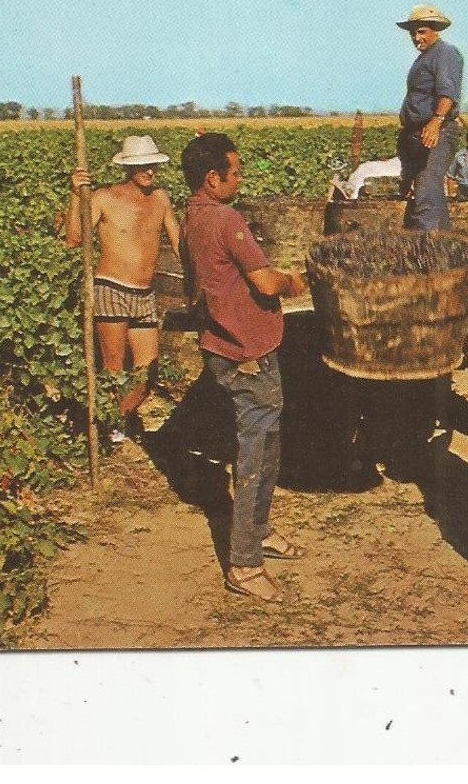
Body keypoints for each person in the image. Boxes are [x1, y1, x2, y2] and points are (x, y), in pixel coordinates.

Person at [178, 132, 308, 603]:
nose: (240, 177)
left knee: (266, 447)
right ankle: (244, 564)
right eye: (235, 171)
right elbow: (266, 282)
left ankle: (260, 530)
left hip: (223, 347)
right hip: (247, 354)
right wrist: (296, 280)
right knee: (256, 455)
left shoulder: (191, 215)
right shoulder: (227, 219)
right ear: (213, 179)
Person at [66, 135, 181, 443]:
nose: (150, 171)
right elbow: (75, 238)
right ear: (128, 168)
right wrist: (76, 195)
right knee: (114, 366)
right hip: (111, 288)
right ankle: (110, 428)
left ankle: (116, 417)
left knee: (147, 374)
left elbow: (178, 242)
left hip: (145, 294)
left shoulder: (161, 198)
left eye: (153, 165)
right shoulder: (104, 197)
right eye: (142, 166)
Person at [394, 3, 463, 231]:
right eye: (413, 33)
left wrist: (436, 122)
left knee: (426, 189)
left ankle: (424, 255)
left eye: (421, 31)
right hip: (417, 133)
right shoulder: (424, 58)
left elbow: (447, 92)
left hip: (436, 132)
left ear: (435, 30)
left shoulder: (445, 53)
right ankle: (444, 247)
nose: (416, 37)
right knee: (425, 191)